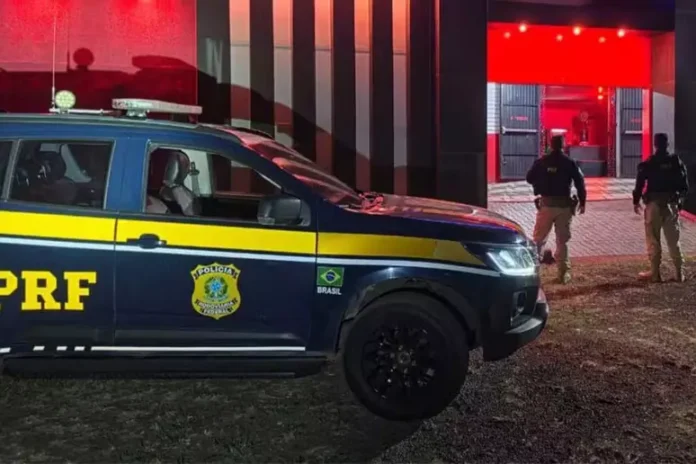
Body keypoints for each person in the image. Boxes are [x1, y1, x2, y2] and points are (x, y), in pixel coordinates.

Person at [526, 135, 587, 284]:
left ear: (550, 145)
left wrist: (541, 180)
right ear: (563, 145)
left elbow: (529, 178)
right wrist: (582, 201)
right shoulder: (569, 162)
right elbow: (580, 182)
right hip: (564, 207)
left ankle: (533, 274)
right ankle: (563, 274)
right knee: (562, 241)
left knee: (538, 240)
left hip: (546, 205)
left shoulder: (541, 161)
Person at [632, 133, 689, 283]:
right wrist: (680, 201)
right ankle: (679, 273)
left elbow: (639, 183)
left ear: (655, 145)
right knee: (674, 240)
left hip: (654, 205)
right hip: (671, 204)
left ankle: (655, 273)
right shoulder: (675, 162)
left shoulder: (649, 163)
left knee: (653, 239)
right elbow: (684, 185)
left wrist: (636, 201)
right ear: (667, 144)